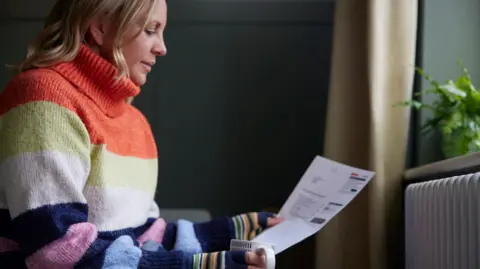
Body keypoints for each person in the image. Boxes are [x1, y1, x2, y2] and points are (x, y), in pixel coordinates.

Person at [0, 0, 283, 268]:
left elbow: (145, 237)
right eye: (151, 30)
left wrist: (231, 231)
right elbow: (57, 250)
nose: (162, 48)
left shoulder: (135, 123)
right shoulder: (42, 99)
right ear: (100, 28)